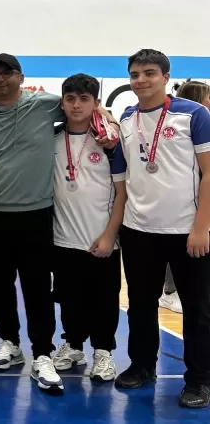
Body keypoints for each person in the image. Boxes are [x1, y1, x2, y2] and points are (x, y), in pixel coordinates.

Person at [0, 53, 117, 391]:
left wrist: (107, 118)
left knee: (37, 289)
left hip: (36, 216)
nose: (0, 79)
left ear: (20, 76)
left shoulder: (44, 105)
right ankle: (10, 344)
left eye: (7, 73)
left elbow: (85, 107)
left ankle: (42, 352)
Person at [111, 49, 210, 409]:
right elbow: (122, 175)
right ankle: (142, 366)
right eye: (135, 74)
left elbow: (209, 172)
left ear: (166, 77)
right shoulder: (125, 118)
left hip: (187, 232)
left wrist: (202, 228)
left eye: (149, 73)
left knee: (198, 310)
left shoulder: (193, 114)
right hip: (139, 230)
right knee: (140, 305)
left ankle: (200, 380)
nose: (141, 80)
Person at [49, 73, 125, 386]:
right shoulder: (50, 139)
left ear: (96, 103)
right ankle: (74, 345)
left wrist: (110, 235)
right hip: (63, 238)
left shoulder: (110, 143)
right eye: (71, 98)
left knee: (105, 299)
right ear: (62, 102)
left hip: (102, 238)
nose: (76, 105)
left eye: (84, 99)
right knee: (69, 298)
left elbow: (123, 193)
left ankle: (104, 351)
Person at [161, 80, 210, 314]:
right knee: (179, 245)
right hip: (184, 203)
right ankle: (170, 292)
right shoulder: (186, 124)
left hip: (201, 201)